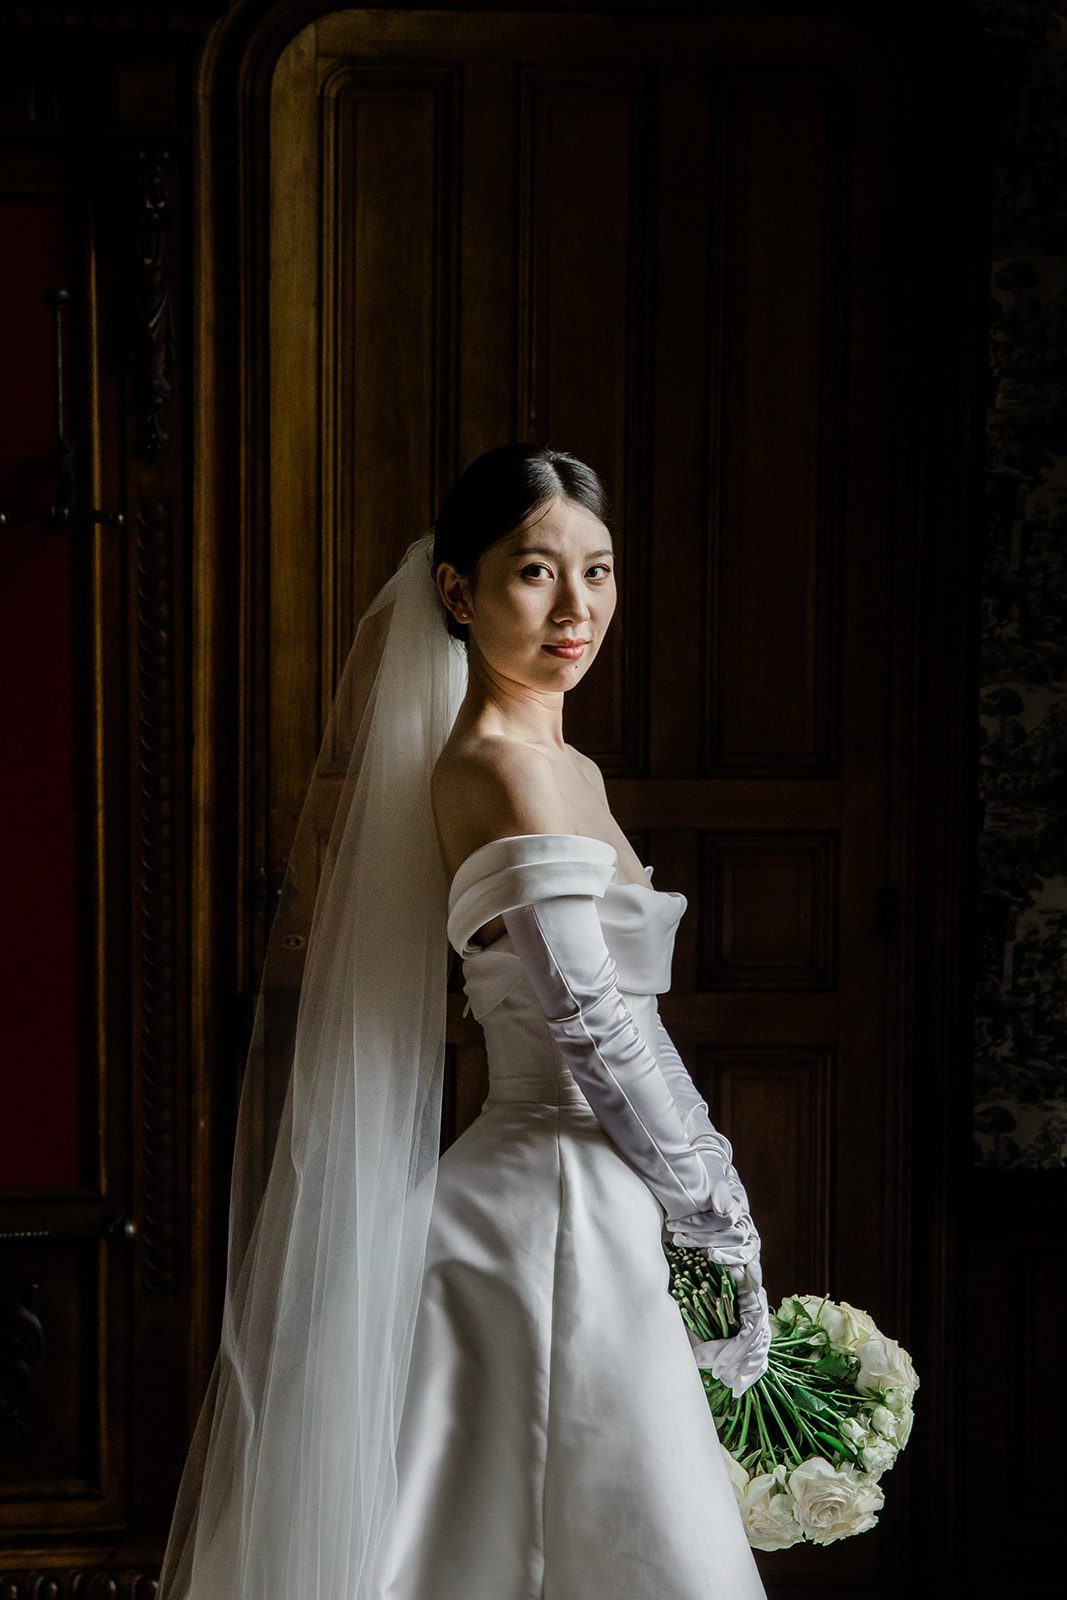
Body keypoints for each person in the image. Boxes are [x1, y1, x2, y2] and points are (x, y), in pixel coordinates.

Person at [155, 442, 770, 1600]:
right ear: (457, 590)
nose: (575, 607)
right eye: (535, 572)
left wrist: (687, 1198)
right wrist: (712, 1205)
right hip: (549, 1208)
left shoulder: (566, 765)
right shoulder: (497, 767)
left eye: (596, 570)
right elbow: (589, 1025)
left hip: (594, 1189)